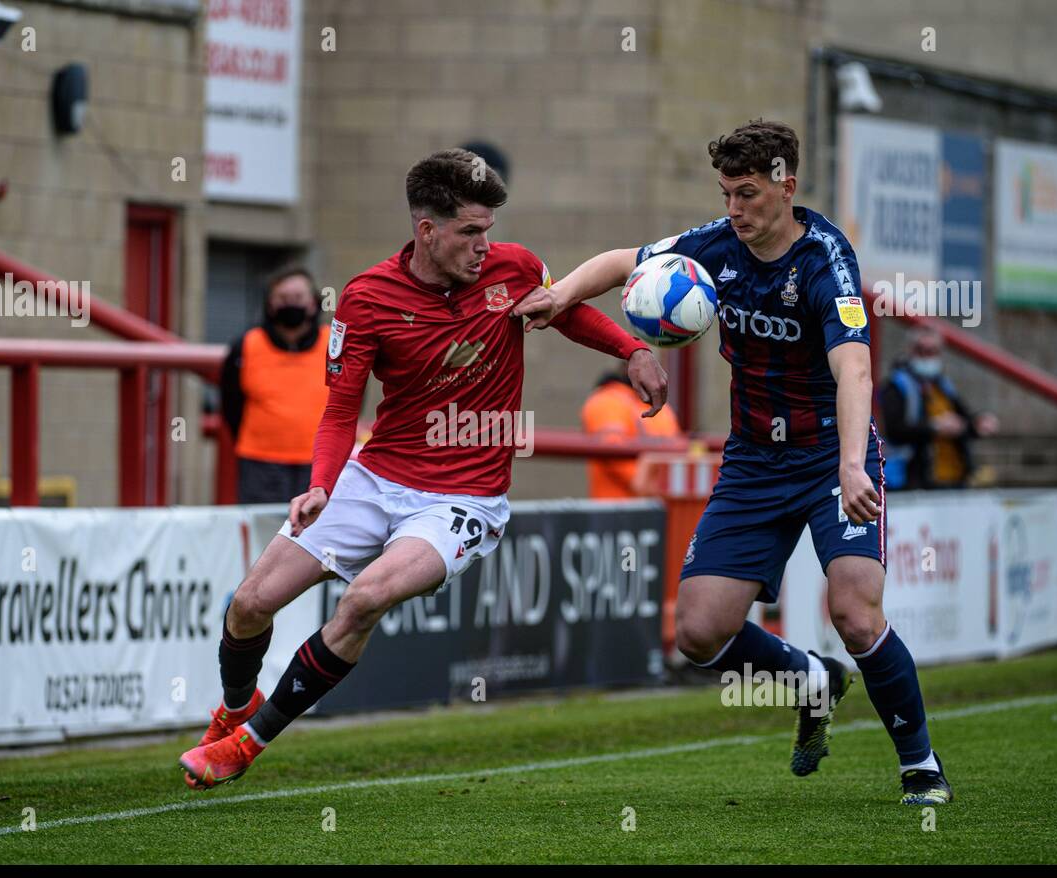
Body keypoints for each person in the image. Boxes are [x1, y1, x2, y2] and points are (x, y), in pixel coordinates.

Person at [179, 148, 667, 789]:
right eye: (469, 232)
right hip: (374, 477)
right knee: (249, 605)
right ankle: (235, 708)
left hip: (462, 500)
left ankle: (248, 743)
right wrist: (321, 484)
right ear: (426, 229)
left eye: (488, 230)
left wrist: (631, 350)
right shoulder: (366, 298)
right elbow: (338, 412)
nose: (483, 246)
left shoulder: (514, 267)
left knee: (365, 599)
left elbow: (565, 310)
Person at [515, 119, 953, 805]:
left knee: (856, 612)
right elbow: (618, 260)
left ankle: (920, 765)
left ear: (787, 185)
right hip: (753, 459)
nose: (734, 210)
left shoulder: (825, 262)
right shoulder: (715, 246)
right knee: (696, 631)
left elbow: (856, 373)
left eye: (747, 194)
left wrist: (850, 464)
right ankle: (812, 680)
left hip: (831, 457)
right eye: (726, 194)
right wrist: (562, 293)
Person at [219, 266, 330, 504]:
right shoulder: (246, 345)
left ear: (313, 303)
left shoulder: (333, 345)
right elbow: (230, 403)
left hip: (319, 464)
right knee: (266, 535)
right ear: (270, 304)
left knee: (316, 534)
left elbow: (350, 399)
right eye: (282, 298)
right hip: (259, 464)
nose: (291, 304)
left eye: (298, 298)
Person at [880, 328, 999, 490]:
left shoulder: (943, 386)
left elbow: (964, 419)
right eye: (922, 350)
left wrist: (978, 423)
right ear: (911, 350)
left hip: (954, 479)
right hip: (915, 482)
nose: (928, 356)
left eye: (933, 351)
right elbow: (894, 430)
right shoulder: (896, 386)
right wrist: (934, 427)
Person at [581, 359, 682, 498]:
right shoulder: (607, 401)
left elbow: (678, 450)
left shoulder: (662, 409)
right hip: (618, 512)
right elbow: (614, 453)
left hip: (663, 511)